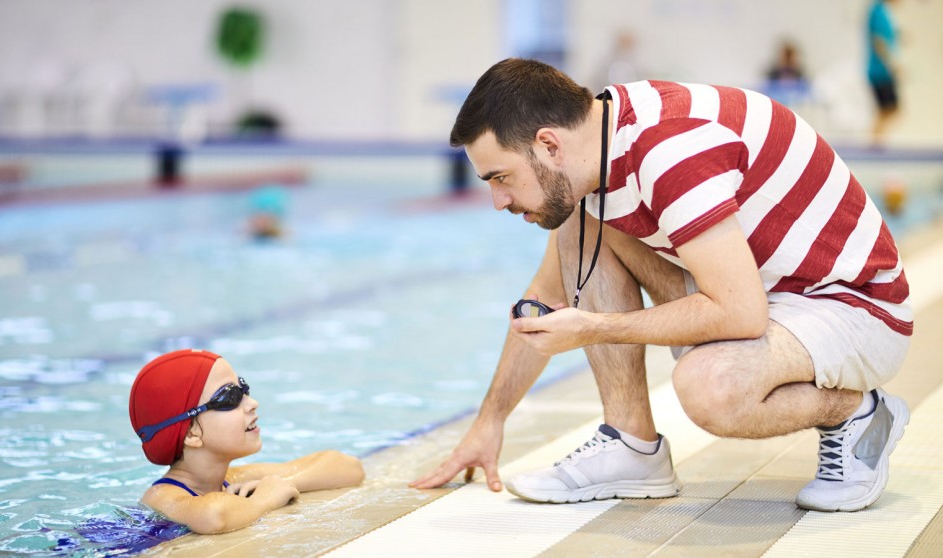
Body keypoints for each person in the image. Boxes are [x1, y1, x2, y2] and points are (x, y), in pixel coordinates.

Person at [411, 58, 912, 513]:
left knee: (710, 387)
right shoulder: (599, 146)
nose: (498, 201)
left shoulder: (669, 149)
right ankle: (632, 445)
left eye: (501, 178)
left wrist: (596, 328)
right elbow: (543, 301)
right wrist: (490, 421)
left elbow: (740, 314)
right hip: (771, 297)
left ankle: (861, 412)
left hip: (855, 307)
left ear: (548, 144)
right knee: (578, 225)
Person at [129, 349, 365, 534]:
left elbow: (347, 466)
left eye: (244, 389)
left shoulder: (231, 478)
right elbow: (214, 516)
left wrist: (284, 483)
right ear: (191, 434)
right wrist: (266, 499)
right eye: (229, 397)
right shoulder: (161, 498)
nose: (252, 403)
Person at [867, 0, 901, 145]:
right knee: (889, 108)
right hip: (880, 71)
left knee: (887, 109)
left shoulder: (884, 12)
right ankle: (875, 143)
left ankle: (877, 141)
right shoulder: (879, 11)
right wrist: (892, 65)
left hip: (881, 70)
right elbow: (879, 42)